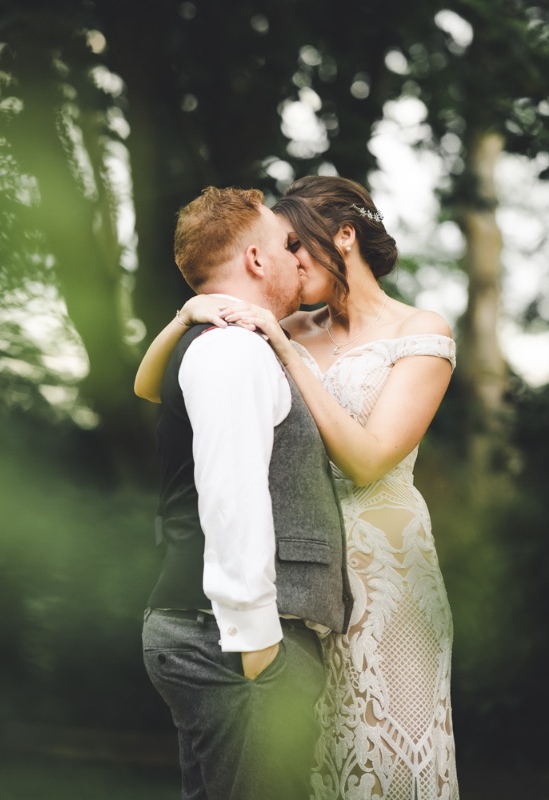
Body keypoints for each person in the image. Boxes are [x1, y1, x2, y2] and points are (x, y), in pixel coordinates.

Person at [136, 175, 459, 800]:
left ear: (345, 236)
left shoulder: (419, 331)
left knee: (383, 762)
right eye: (283, 246)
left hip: (383, 569)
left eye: (299, 245)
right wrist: (186, 315)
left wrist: (285, 350)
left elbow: (367, 462)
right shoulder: (286, 325)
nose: (292, 260)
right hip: (295, 575)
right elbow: (153, 386)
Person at [141, 185, 353, 800]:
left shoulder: (229, 343)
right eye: (288, 245)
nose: (299, 257)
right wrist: (258, 646)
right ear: (257, 261)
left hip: (215, 636)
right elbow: (232, 496)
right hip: (233, 644)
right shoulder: (233, 349)